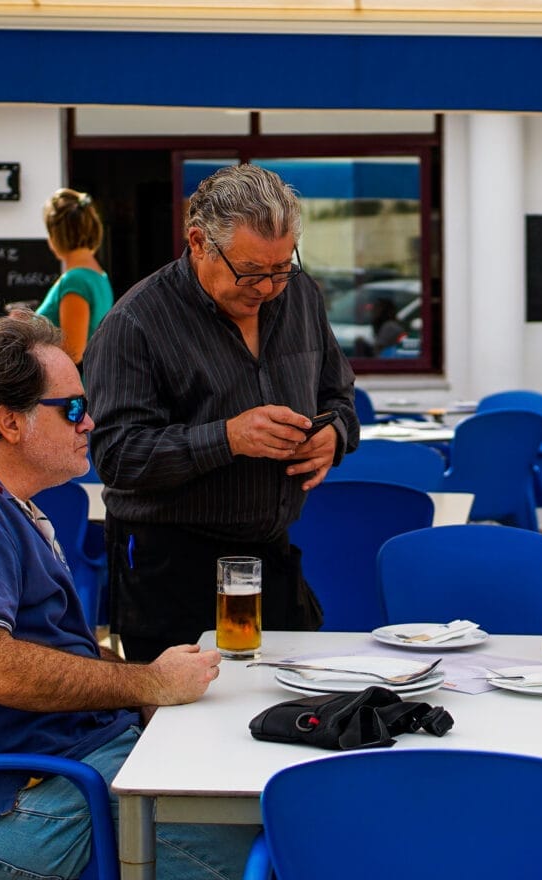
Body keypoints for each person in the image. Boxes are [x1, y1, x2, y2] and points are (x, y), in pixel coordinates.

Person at [0, 315, 254, 880]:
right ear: (9, 422)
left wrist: (151, 689)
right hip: (10, 805)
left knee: (251, 788)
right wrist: (148, 684)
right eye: (71, 408)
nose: (90, 422)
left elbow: (56, 647)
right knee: (273, 836)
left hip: (57, 770)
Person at [86, 163, 358, 661]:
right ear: (197, 242)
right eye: (251, 272)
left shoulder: (300, 296)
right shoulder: (134, 324)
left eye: (281, 268)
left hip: (272, 555)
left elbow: (339, 397)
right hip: (170, 567)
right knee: (185, 730)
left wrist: (334, 435)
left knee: (287, 720)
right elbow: (116, 456)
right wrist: (228, 437)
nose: (268, 288)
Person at [37, 188, 115, 372]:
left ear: (56, 235)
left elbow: (73, 352)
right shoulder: (99, 276)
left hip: (65, 393)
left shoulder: (75, 280)